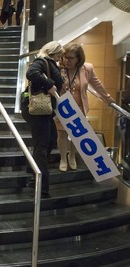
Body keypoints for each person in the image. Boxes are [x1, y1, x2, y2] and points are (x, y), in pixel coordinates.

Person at [56, 43, 115, 172]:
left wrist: (109, 100)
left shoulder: (87, 68)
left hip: (79, 107)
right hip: (62, 107)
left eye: (71, 58)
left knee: (77, 134)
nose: (67, 60)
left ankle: (72, 156)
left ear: (79, 58)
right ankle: (63, 158)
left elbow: (97, 85)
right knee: (62, 133)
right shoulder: (58, 67)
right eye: (65, 57)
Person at [21, 41, 64, 198]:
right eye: (59, 55)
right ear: (53, 52)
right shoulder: (42, 61)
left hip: (45, 111)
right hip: (37, 109)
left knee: (51, 140)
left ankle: (33, 172)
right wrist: (49, 85)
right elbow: (31, 74)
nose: (60, 58)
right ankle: (41, 185)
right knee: (42, 145)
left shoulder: (50, 63)